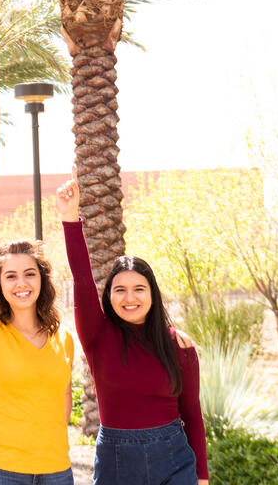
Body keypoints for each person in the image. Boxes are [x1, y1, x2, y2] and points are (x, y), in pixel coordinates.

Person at [55, 181, 209, 484]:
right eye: (120, 290)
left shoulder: (179, 345)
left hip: (175, 461)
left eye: (139, 289)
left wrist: (201, 478)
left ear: (153, 294)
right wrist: (70, 218)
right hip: (117, 463)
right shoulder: (98, 336)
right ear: (108, 296)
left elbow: (192, 414)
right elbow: (82, 277)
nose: (130, 298)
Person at [0, 190, 78, 485]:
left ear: (41, 279)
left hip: (57, 471)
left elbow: (63, 397)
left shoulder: (64, 337)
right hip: (1, 469)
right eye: (10, 276)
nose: (21, 283)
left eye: (29, 274)